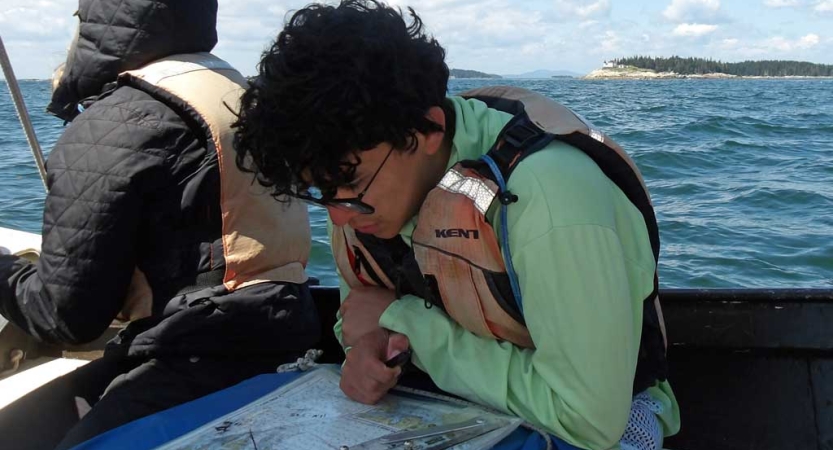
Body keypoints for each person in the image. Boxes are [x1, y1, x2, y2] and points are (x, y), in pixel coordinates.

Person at [233, 1, 680, 449]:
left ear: (429, 129)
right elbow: (360, 320)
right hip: (446, 404)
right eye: (319, 192)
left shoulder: (548, 191)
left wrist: (408, 324)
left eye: (350, 183)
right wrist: (365, 353)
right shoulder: (357, 192)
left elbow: (588, 417)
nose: (338, 216)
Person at [0, 1, 320, 448]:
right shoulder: (241, 93)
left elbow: (65, 318)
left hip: (193, 357)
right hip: (288, 331)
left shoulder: (115, 122)